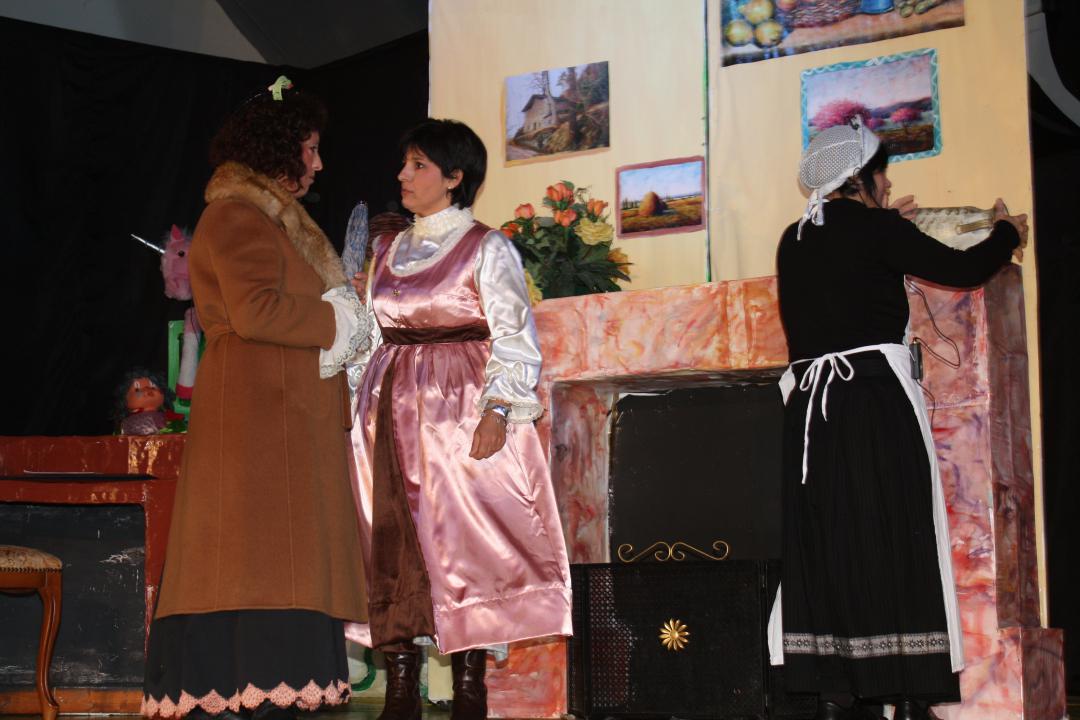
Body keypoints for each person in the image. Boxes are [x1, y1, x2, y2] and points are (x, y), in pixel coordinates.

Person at [772, 119, 1028, 720]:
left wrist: (890, 227)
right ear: (862, 178)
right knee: (895, 534)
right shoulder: (878, 230)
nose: (888, 185)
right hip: (870, 402)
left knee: (829, 541)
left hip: (809, 412)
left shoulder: (794, 238)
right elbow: (964, 268)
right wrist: (1006, 232)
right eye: (883, 175)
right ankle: (908, 694)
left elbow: (851, 267)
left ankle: (835, 692)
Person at [142, 77, 370, 720]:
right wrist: (341, 320)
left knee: (281, 565)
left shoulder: (274, 221)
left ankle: (277, 694)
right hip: (258, 416)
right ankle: (252, 693)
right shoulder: (236, 215)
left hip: (281, 414)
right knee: (260, 563)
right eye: (311, 148)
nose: (318, 163)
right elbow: (255, 310)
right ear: (278, 146)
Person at [345, 118, 572, 720]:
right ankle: (400, 686)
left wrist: (498, 410)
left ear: (454, 177)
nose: (403, 174)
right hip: (387, 412)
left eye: (418, 165)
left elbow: (514, 336)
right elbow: (371, 336)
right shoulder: (387, 250)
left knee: (465, 543)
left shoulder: (486, 247)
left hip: (458, 410)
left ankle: (471, 685)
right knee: (389, 540)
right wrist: (354, 402)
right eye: (405, 163)